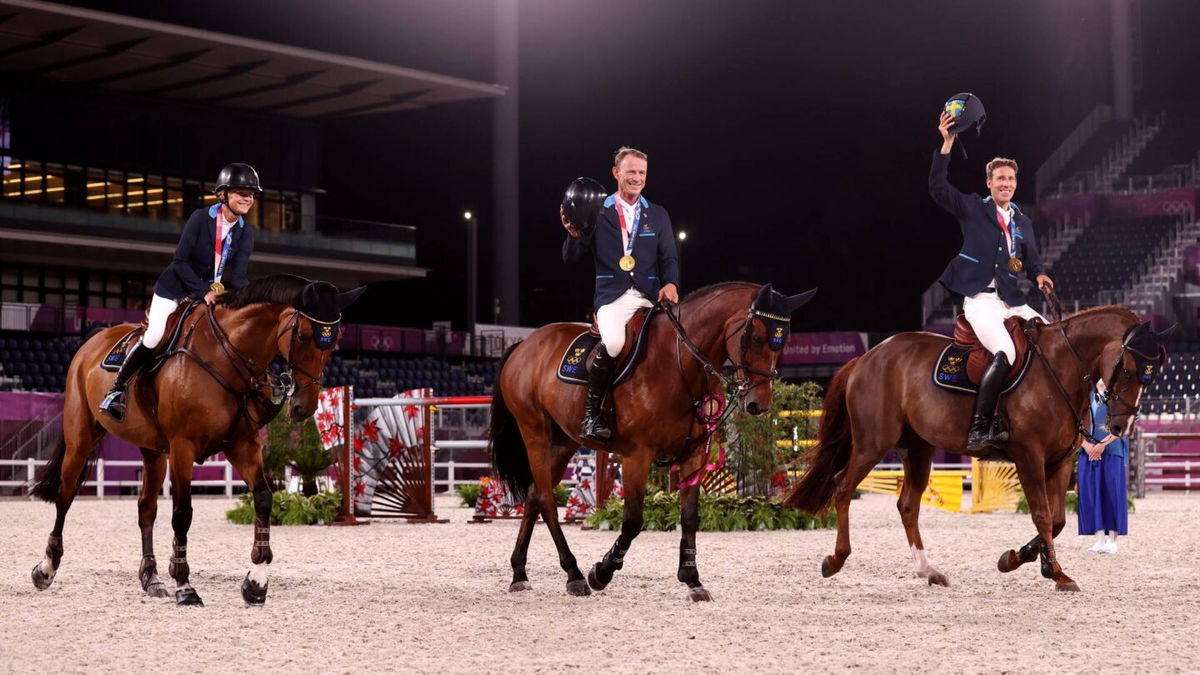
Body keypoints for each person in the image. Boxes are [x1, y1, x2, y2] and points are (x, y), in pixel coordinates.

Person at [930, 112, 1056, 452]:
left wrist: (1040, 273)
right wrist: (946, 144)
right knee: (1005, 351)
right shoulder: (973, 208)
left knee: (1055, 342)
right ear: (989, 183)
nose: (1006, 183)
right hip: (981, 301)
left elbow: (1031, 260)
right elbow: (938, 189)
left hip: (1012, 300)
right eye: (1000, 178)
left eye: (1011, 179)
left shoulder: (1023, 222)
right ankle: (980, 427)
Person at [99, 163, 261, 421]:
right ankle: (116, 390)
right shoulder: (200, 218)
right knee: (154, 335)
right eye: (241, 192)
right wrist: (204, 290)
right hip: (175, 289)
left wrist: (252, 300)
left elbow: (239, 277)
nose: (248, 198)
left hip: (209, 294)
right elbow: (180, 261)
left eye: (251, 194)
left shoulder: (246, 233)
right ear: (223, 194)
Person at [560, 146, 680, 442]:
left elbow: (669, 258)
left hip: (650, 295)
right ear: (616, 173)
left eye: (642, 173)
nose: (637, 178)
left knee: (677, 342)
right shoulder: (598, 210)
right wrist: (573, 235)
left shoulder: (658, 214)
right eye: (631, 172)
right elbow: (571, 258)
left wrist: (672, 284)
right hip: (612, 297)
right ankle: (592, 415)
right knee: (614, 343)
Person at [1077, 380, 1129, 553]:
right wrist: (1086, 445)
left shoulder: (1118, 394)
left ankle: (1112, 540)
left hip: (1111, 450)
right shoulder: (1085, 393)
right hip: (1088, 451)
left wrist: (1102, 444)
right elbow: (1073, 423)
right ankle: (1099, 538)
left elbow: (1125, 425)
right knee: (1092, 494)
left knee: (1112, 493)